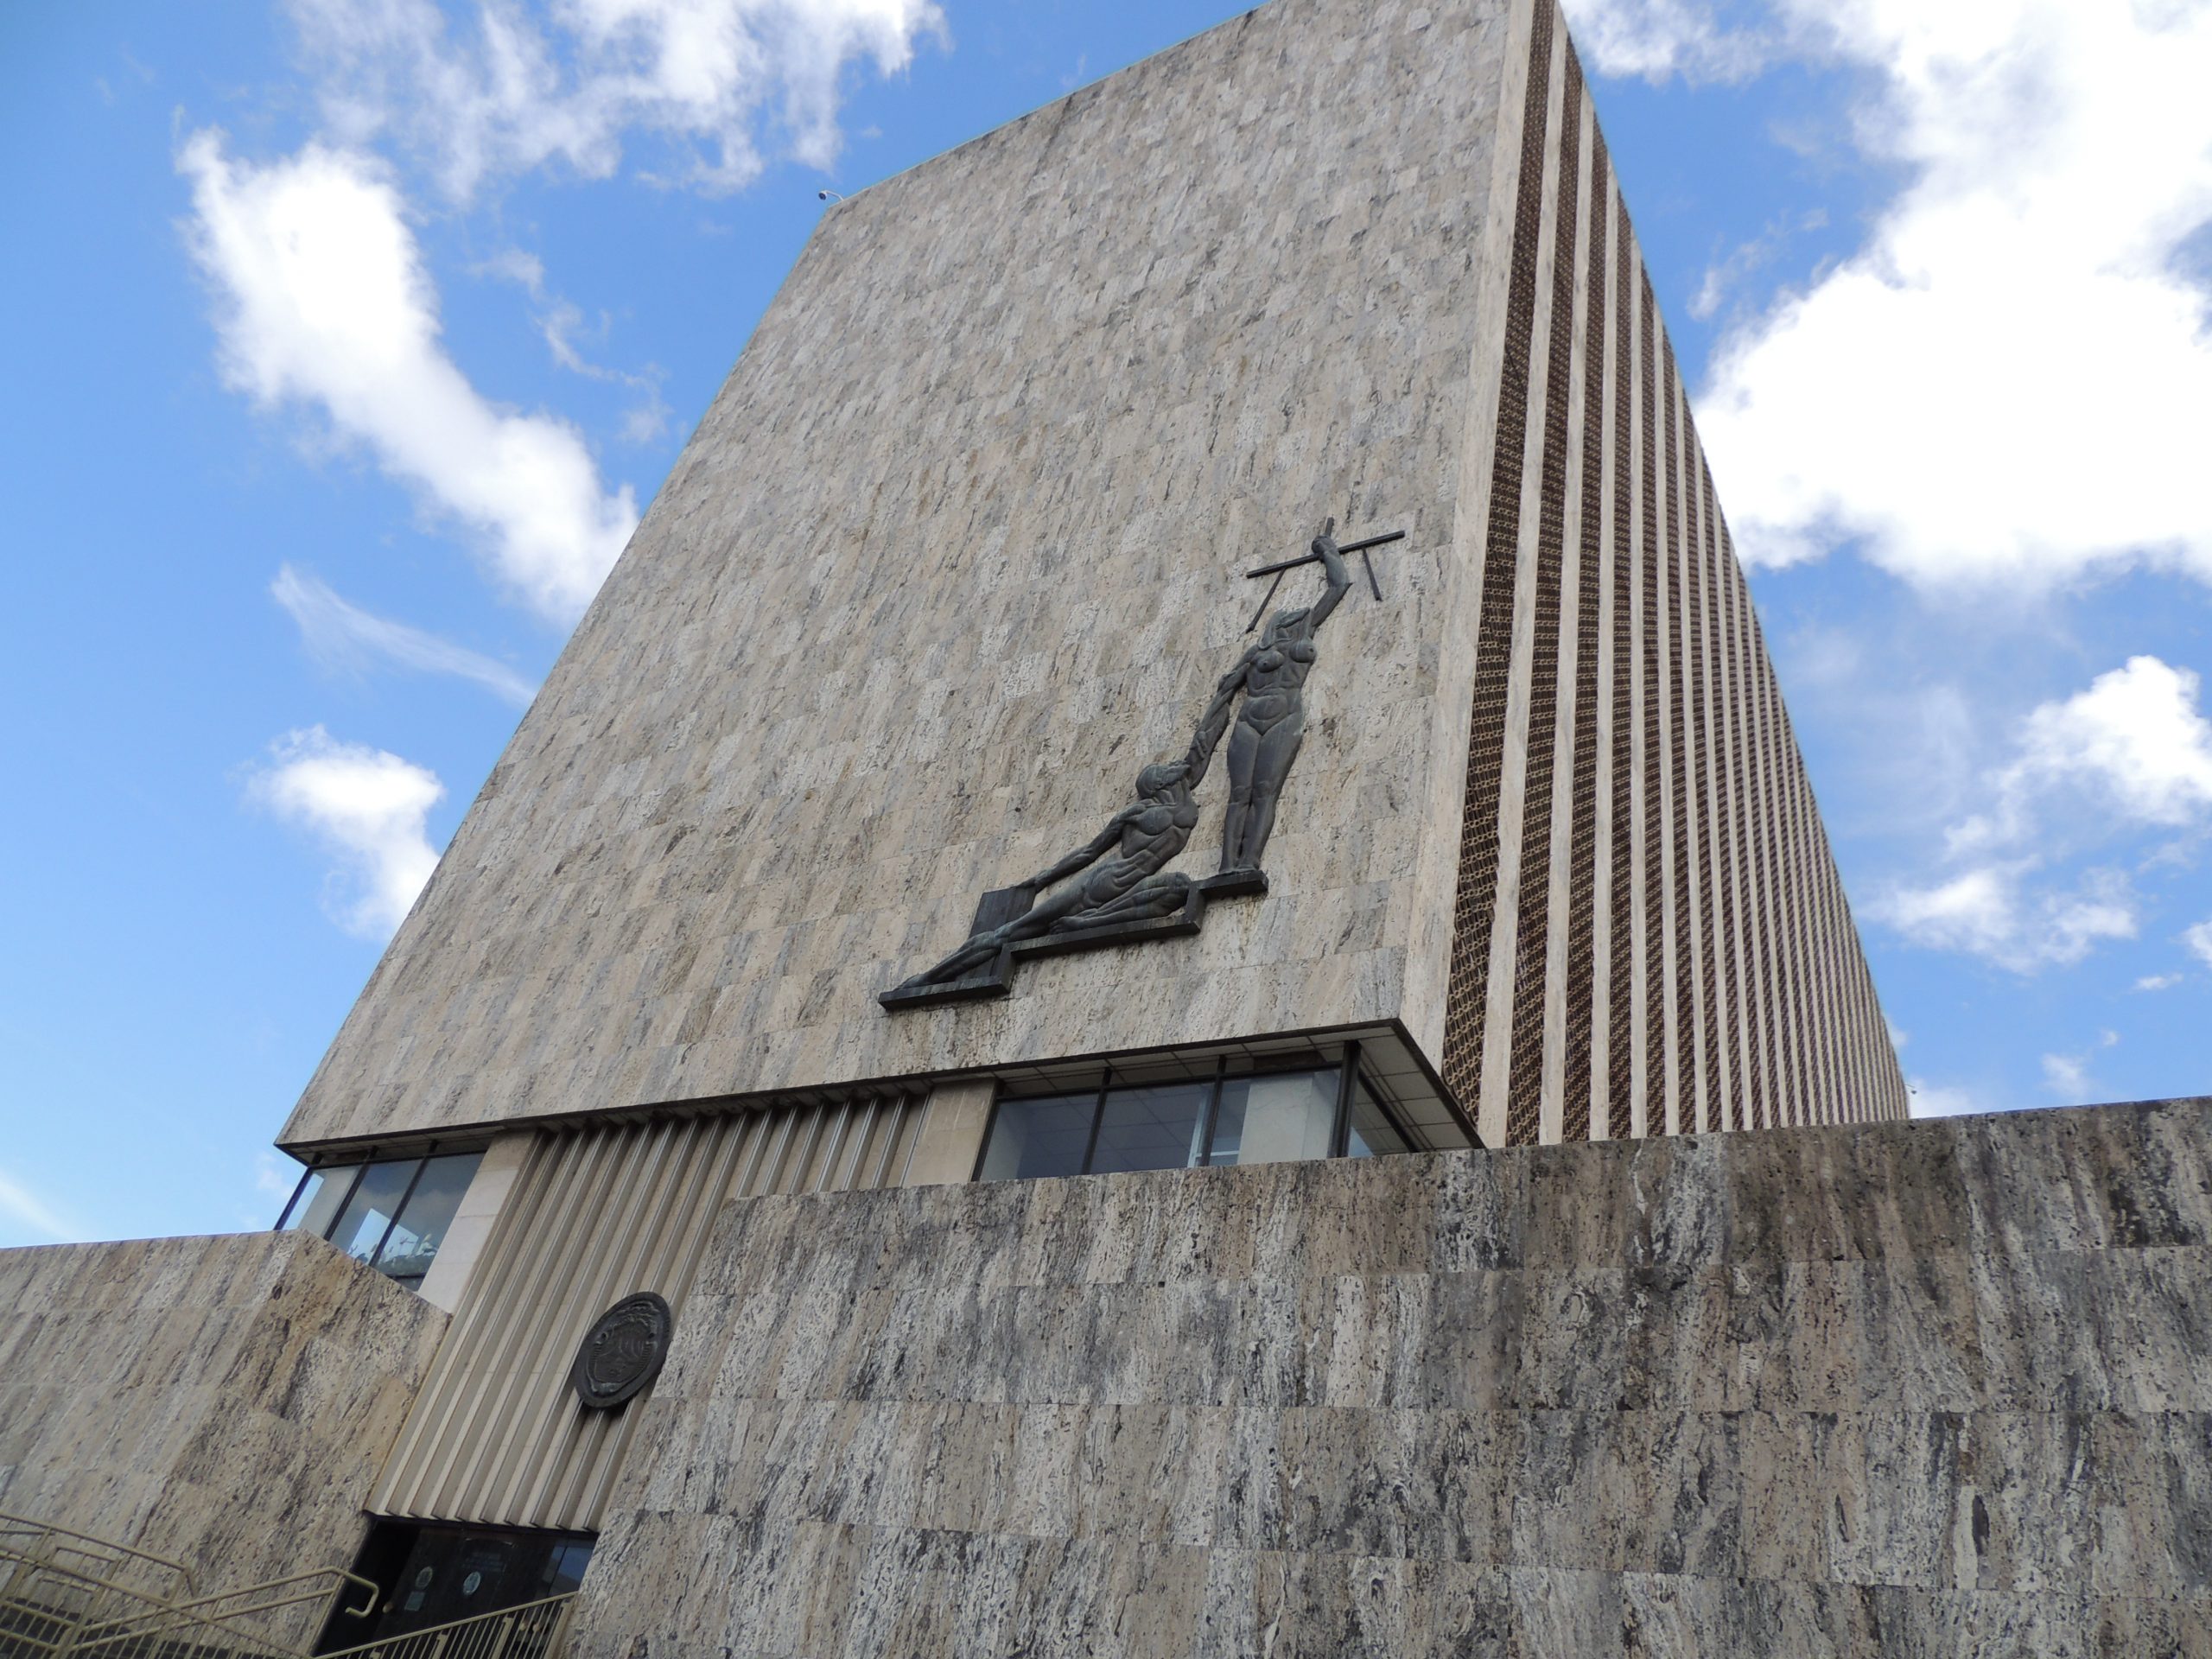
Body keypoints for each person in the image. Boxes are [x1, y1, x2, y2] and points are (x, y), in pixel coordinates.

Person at [893, 688, 1235, 989]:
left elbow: (1205, 739)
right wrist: (1043, 878)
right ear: (1158, 782)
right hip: (1099, 883)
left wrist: (1227, 691)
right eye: (1168, 768)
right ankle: (931, 979)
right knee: (1007, 934)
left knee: (1176, 887)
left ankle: (1082, 923)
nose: (1176, 765)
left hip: (1111, 887)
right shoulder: (1154, 811)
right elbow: (1088, 853)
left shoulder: (1177, 795)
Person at [1215, 531, 1351, 872]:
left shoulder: (1306, 633)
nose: (1290, 624)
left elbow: (1339, 586)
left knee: (1265, 790)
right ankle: (1227, 865)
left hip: (1285, 715)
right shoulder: (1255, 652)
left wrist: (1328, 552)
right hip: (1248, 719)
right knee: (1239, 794)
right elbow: (1226, 688)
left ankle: (1250, 861)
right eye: (1283, 623)